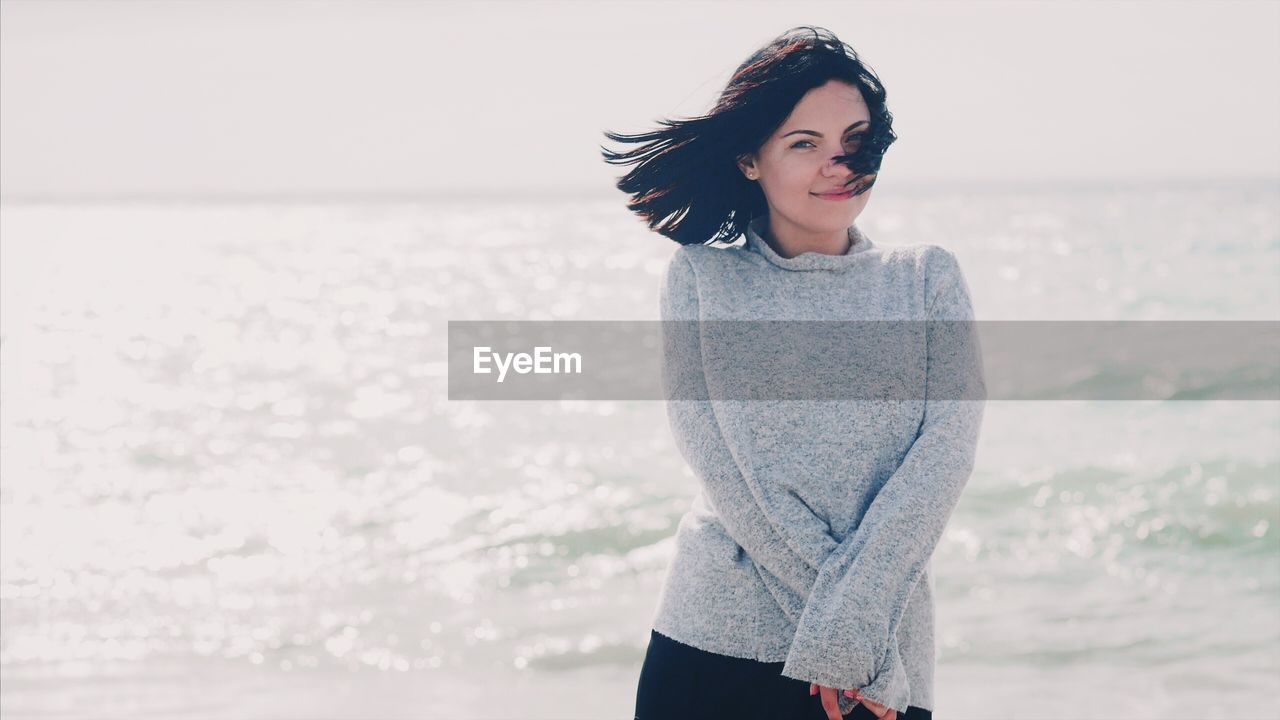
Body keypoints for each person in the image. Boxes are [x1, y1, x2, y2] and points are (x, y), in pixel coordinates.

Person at [602, 26, 985, 720]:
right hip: (717, 645)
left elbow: (944, 461)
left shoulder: (927, 279)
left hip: (878, 662)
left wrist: (855, 635)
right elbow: (723, 470)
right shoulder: (701, 280)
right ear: (751, 159)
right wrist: (846, 637)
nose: (836, 163)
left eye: (854, 140)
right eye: (803, 143)